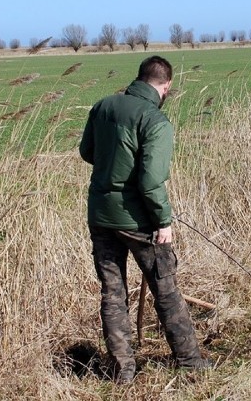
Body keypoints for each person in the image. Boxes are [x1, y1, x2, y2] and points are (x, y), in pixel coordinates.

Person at [79, 55, 208, 383]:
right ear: (166, 86)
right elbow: (151, 181)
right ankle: (190, 362)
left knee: (112, 292)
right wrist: (163, 220)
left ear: (139, 78)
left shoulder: (102, 106)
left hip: (101, 216)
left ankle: (122, 371)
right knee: (165, 288)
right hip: (139, 222)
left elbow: (88, 153)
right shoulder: (155, 121)